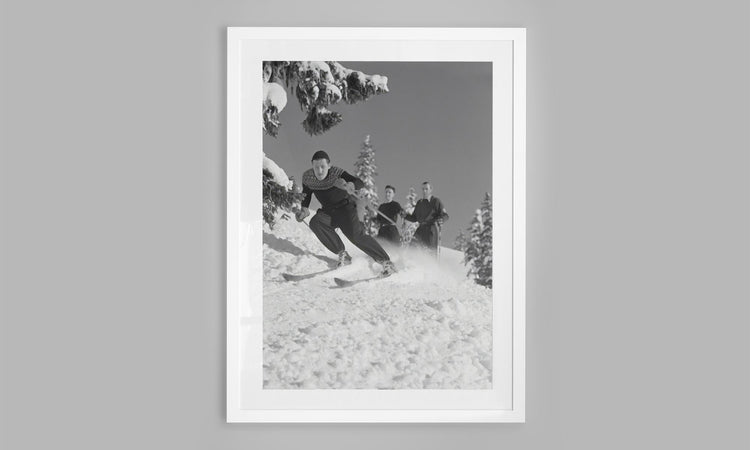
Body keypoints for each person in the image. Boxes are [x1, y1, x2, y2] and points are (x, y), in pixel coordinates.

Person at [295, 150, 396, 276]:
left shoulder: (336, 173)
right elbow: (307, 195)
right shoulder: (308, 178)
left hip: (345, 209)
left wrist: (350, 184)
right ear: (312, 166)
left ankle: (386, 262)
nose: (319, 171)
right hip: (328, 212)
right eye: (316, 167)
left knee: (356, 237)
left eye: (323, 167)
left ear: (329, 165)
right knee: (316, 222)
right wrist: (304, 209)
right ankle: (343, 255)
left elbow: (359, 182)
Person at [404, 181, 449, 254]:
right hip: (420, 228)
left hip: (431, 229)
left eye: (426, 189)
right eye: (423, 189)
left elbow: (445, 215)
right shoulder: (420, 202)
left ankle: (430, 264)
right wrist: (405, 215)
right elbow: (414, 218)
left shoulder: (435, 201)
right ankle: (410, 263)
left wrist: (441, 219)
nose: (424, 191)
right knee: (412, 248)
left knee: (429, 251)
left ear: (431, 190)